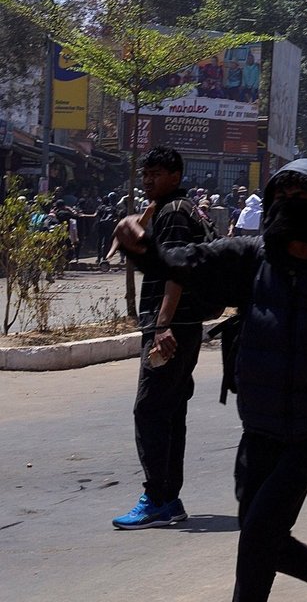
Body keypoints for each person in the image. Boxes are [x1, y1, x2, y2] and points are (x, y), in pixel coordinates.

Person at [112, 158, 307, 602]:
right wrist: (143, 248)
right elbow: (188, 263)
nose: (290, 206)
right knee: (260, 533)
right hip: (260, 422)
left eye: (302, 198)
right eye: (282, 198)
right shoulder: (253, 258)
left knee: (259, 532)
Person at [111, 147, 208, 530]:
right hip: (186, 325)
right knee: (171, 412)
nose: (148, 179)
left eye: (156, 174)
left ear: (175, 175)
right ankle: (169, 499)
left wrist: (162, 325)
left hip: (171, 327)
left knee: (150, 409)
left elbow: (177, 271)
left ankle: (156, 497)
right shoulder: (179, 209)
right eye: (146, 173)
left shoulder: (173, 214)